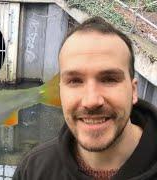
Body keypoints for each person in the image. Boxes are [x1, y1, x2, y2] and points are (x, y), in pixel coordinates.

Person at [13, 16, 157, 180]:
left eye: (109, 79)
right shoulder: (33, 170)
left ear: (133, 91)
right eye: (75, 81)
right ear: (61, 92)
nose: (91, 101)